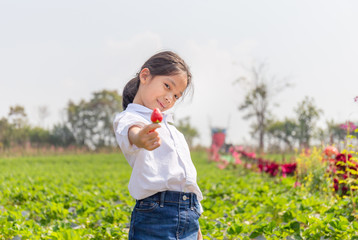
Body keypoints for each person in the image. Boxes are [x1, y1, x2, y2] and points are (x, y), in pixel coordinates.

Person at [113, 51, 203, 240]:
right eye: (167, 86)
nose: (170, 98)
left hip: (190, 214)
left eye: (176, 95)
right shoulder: (131, 118)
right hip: (156, 215)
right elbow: (131, 132)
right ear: (145, 76)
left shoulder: (173, 132)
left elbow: (187, 183)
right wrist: (140, 138)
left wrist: (197, 231)